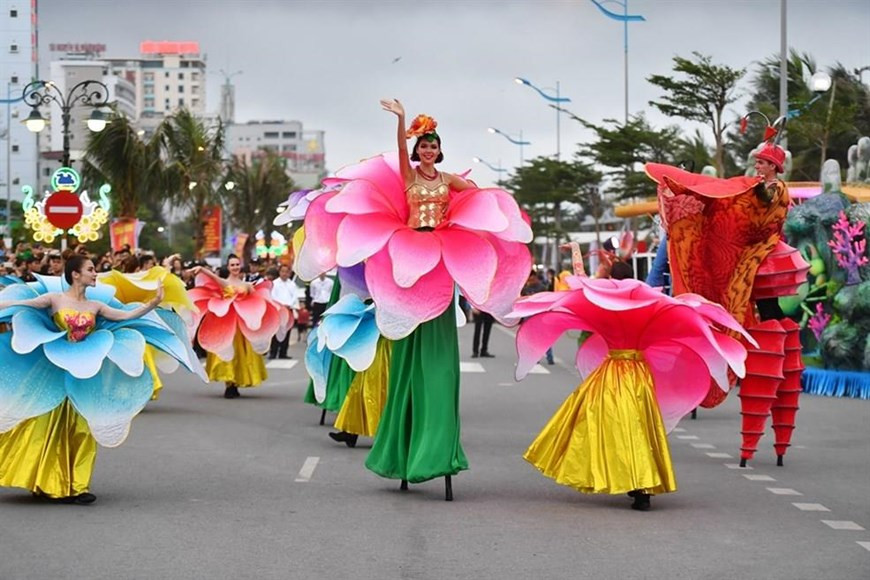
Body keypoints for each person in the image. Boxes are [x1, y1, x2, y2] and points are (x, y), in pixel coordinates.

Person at [509, 250, 753, 511]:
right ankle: (642, 487)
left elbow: (578, 282)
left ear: (612, 279)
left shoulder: (602, 300)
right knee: (639, 429)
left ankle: (616, 476)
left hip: (612, 373)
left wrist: (576, 253)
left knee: (601, 428)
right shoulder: (649, 301)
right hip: (638, 375)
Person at [0, 255, 204, 504]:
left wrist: (154, 302)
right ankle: (51, 482)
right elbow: (20, 304)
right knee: (47, 428)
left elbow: (126, 316)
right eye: (91, 269)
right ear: (75, 274)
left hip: (85, 372)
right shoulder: (54, 299)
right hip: (57, 368)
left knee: (82, 429)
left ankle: (77, 486)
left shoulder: (96, 306)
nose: (96, 274)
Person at [191, 254, 279, 399]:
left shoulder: (247, 286)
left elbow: (257, 302)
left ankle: (236, 382)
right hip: (226, 325)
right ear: (228, 267)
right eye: (232, 265)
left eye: (237, 264)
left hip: (242, 326)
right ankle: (229, 384)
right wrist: (201, 269)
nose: (235, 267)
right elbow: (213, 277)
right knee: (228, 352)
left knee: (241, 355)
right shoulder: (225, 283)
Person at [269, 264, 298, 359]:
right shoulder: (275, 283)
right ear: (279, 272)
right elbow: (273, 297)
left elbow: (294, 297)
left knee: (287, 331)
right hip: (279, 310)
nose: (284, 273)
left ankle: (283, 352)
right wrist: (281, 305)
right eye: (283, 271)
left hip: (288, 309)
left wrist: (289, 304)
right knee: (276, 331)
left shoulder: (292, 284)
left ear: (289, 273)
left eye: (286, 272)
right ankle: (273, 352)